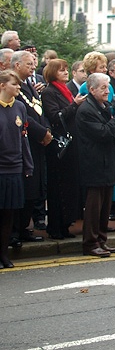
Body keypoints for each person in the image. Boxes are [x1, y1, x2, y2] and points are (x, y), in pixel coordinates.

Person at [76, 73, 115, 257]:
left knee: (105, 206)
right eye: (103, 87)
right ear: (91, 89)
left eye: (108, 86)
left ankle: (101, 240)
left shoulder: (103, 106)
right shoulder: (86, 110)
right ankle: (90, 243)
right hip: (94, 164)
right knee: (94, 207)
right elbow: (104, 133)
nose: (107, 90)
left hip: (107, 162)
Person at [40, 59, 86, 240]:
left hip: (72, 144)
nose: (65, 73)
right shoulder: (49, 92)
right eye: (61, 70)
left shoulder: (64, 89)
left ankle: (66, 223)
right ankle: (56, 226)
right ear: (52, 73)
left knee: (69, 186)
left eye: (66, 70)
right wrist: (74, 105)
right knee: (59, 187)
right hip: (59, 146)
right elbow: (55, 116)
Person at [11, 51, 52, 245]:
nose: (32, 67)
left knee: (33, 189)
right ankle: (14, 231)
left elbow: (39, 111)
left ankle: (24, 228)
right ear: (17, 65)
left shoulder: (31, 85)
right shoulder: (14, 86)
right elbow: (23, 115)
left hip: (38, 144)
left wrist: (47, 131)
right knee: (24, 189)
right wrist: (42, 133)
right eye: (28, 64)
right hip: (26, 143)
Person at [0, 70, 33, 268]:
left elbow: (24, 138)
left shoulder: (19, 107)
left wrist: (27, 164)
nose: (18, 88)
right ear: (2, 85)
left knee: (8, 216)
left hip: (14, 168)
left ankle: (4, 254)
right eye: (14, 84)